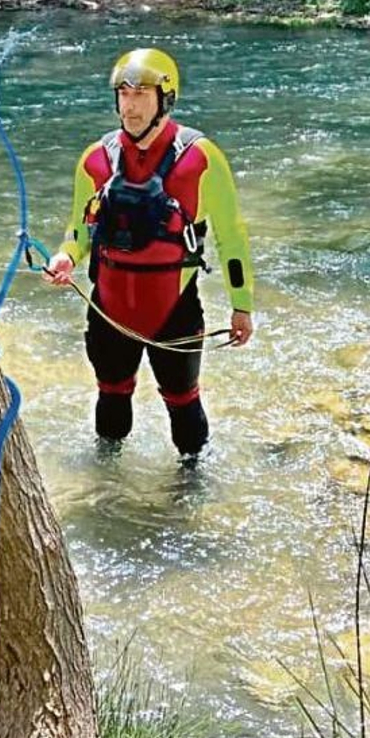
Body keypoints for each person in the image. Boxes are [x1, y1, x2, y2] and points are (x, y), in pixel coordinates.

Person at [43, 48, 256, 458]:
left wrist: (241, 306)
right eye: (123, 94)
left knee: (184, 411)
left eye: (141, 94)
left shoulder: (201, 158)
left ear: (165, 99)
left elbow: (232, 238)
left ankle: (191, 496)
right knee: (111, 404)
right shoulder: (95, 160)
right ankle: (107, 493)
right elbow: (78, 230)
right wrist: (65, 257)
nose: (130, 105)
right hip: (109, 312)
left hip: (174, 312)